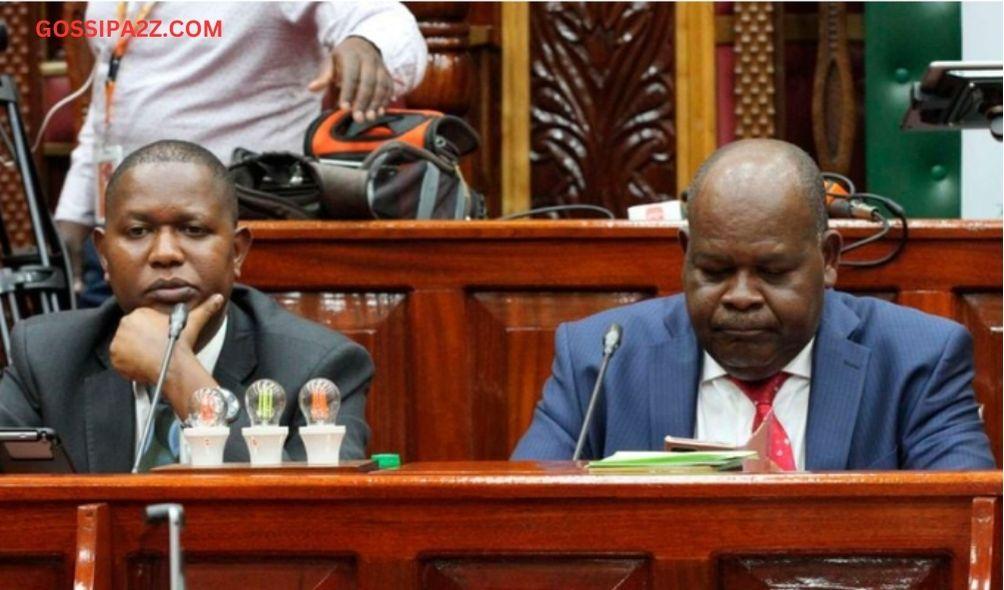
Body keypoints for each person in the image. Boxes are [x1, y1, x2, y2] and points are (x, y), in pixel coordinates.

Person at [512, 139, 995, 470]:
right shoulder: (600, 358)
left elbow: (970, 526)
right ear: (686, 256)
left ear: (828, 259)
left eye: (772, 272)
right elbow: (526, 525)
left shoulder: (918, 359)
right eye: (715, 271)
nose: (740, 297)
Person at [0, 140, 373, 472]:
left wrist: (178, 372)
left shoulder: (318, 368)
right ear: (104, 256)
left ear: (237, 251)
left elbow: (310, 521)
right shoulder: (48, 357)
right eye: (137, 232)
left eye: (193, 230)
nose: (165, 254)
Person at [55, 2, 428, 304]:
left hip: (229, 237)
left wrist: (368, 43)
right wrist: (74, 215)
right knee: (110, 388)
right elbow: (107, 111)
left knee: (218, 390)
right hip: (124, 236)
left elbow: (384, 19)